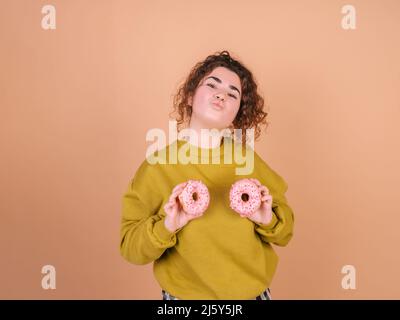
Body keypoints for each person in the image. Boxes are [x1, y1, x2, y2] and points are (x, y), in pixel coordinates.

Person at [120, 50, 295, 300]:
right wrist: (168, 224)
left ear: (238, 112)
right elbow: (130, 249)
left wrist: (266, 219)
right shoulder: (157, 167)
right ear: (190, 96)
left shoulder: (249, 162)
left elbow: (285, 233)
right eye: (212, 84)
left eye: (233, 93)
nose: (221, 94)